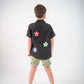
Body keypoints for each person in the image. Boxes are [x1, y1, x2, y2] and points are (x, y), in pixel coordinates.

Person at [26, 4, 56, 84]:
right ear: (45, 14)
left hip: (34, 52)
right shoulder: (48, 27)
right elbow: (52, 40)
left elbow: (29, 40)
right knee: (48, 68)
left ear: (35, 14)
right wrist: (51, 51)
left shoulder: (31, 26)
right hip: (46, 52)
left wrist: (29, 51)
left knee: (33, 68)